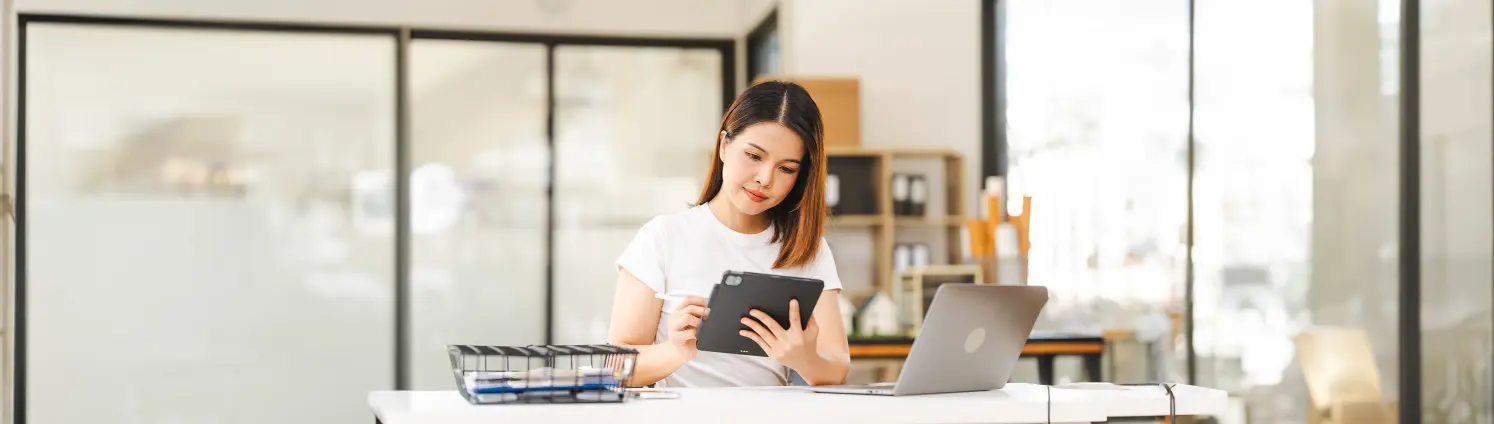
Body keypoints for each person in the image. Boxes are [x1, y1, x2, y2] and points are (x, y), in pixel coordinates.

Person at [606, 81, 850, 388]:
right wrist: (675, 351)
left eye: (786, 169)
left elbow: (837, 370)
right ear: (724, 145)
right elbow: (616, 366)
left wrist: (802, 358)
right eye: (754, 156)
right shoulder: (662, 237)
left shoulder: (806, 249)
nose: (764, 179)